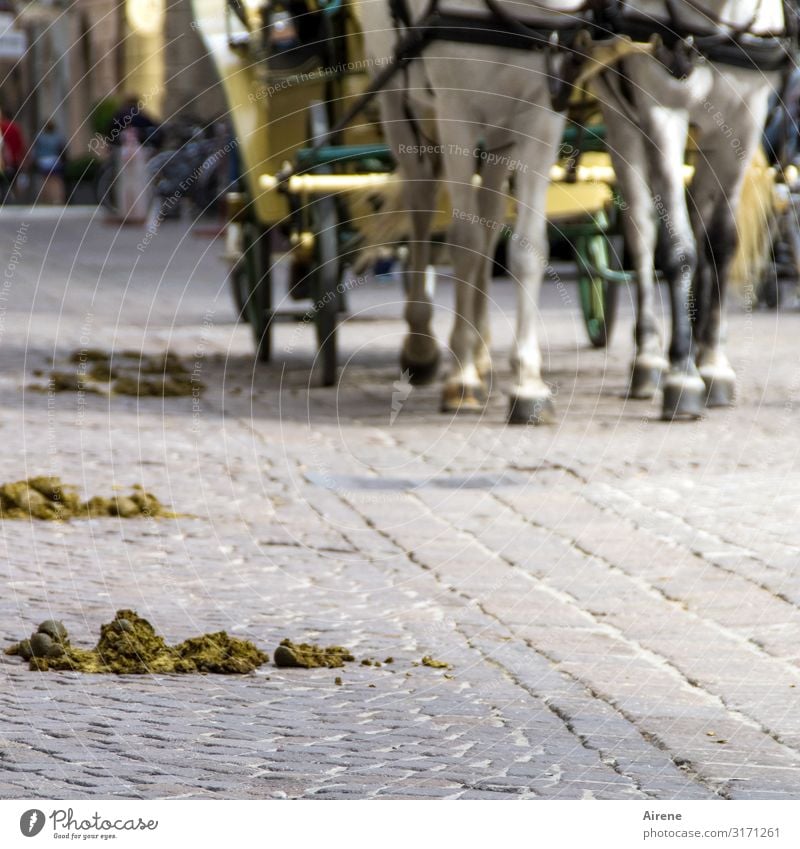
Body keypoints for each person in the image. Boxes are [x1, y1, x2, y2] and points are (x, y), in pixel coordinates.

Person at [33, 121, 67, 204]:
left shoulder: (40, 136)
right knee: (56, 181)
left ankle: (46, 199)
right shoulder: (57, 136)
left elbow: (35, 150)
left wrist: (35, 160)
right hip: (54, 160)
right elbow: (62, 148)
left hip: (43, 161)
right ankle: (58, 198)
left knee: (45, 181)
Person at [0, 105, 27, 201]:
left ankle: (5, 198)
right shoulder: (16, 128)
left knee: (4, 180)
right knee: (13, 180)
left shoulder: (2, 127)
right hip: (15, 159)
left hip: (4, 160)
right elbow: (21, 144)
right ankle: (14, 198)